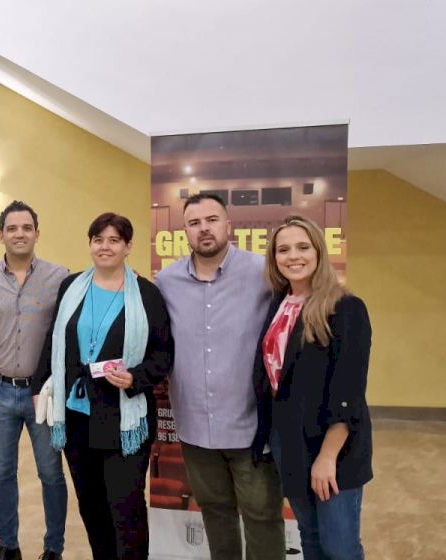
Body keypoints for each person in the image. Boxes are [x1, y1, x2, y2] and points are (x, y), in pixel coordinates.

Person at [152, 193, 284, 560]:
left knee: (262, 517)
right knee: (215, 512)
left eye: (211, 220)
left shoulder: (263, 272)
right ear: (185, 231)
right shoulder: (167, 280)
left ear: (229, 225)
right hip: (195, 428)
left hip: (251, 427)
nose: (204, 229)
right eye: (194, 223)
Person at [34, 212, 173, 560]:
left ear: (128, 246)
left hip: (122, 417)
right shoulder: (71, 287)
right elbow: (53, 341)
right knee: (91, 505)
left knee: (126, 508)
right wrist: (40, 387)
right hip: (76, 416)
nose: (105, 247)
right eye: (98, 240)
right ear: (90, 245)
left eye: (114, 240)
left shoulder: (147, 295)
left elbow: (163, 354)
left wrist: (136, 377)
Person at [253, 215, 373, 560]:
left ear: (319, 252)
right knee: (310, 537)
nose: (293, 256)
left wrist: (327, 456)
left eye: (303, 247)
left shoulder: (346, 308)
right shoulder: (278, 304)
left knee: (339, 546)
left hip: (334, 445)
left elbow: (349, 390)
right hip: (288, 441)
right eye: (283, 250)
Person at [0, 201, 68, 560]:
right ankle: (8, 546)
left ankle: (53, 548)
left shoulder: (60, 277)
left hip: (44, 394)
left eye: (26, 228)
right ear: (1, 235)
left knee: (51, 473)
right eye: (12, 228)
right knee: (2, 473)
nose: (19, 234)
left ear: (37, 233)